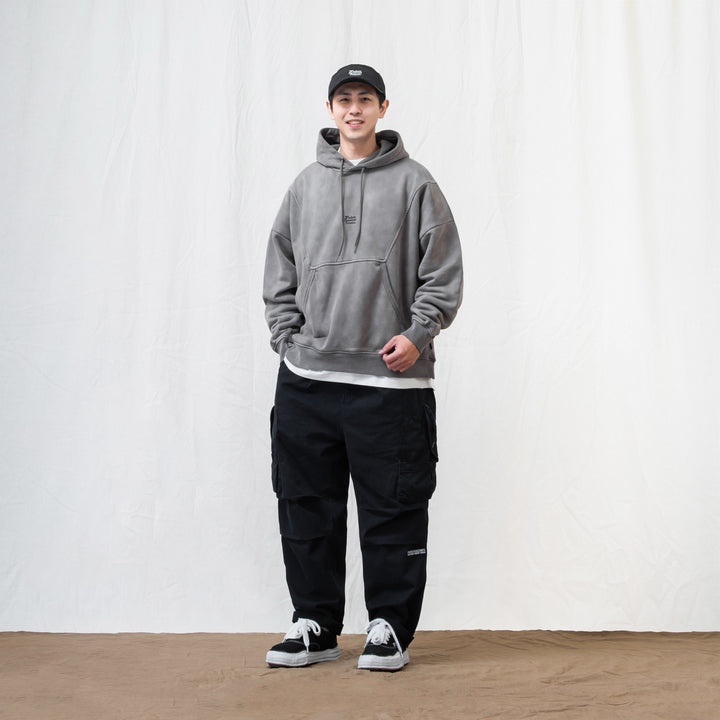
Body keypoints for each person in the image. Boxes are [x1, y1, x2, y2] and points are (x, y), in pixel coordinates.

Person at [262, 63, 463, 672]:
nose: (354, 108)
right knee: (305, 504)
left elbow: (443, 271)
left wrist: (418, 334)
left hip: (390, 381)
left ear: (382, 108)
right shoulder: (304, 186)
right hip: (308, 381)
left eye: (365, 98)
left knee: (393, 508)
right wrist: (286, 338)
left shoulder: (416, 183)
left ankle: (389, 628)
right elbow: (280, 268)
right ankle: (315, 624)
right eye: (344, 99)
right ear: (331, 109)